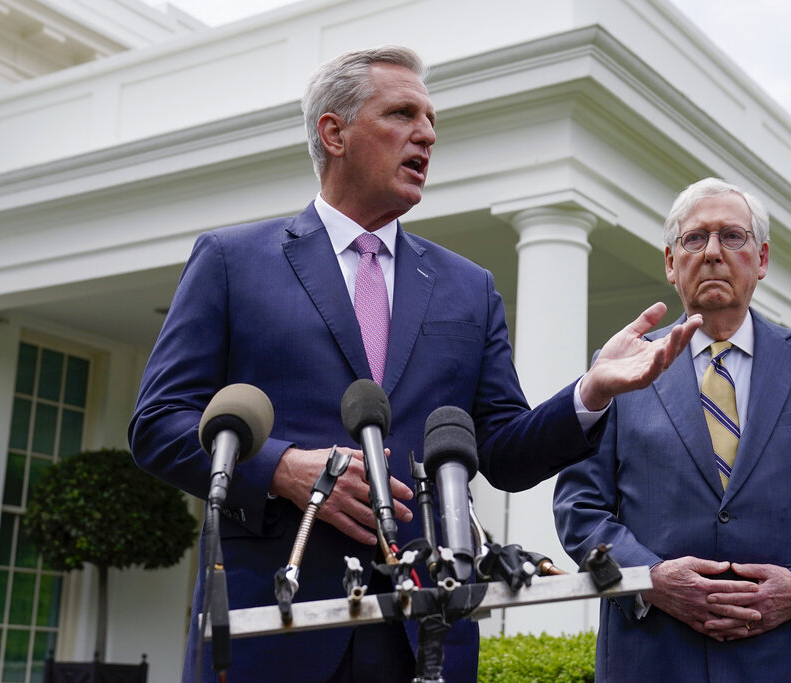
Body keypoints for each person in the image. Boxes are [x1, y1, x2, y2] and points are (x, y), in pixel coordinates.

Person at [128, 45, 700, 683]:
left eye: (431, 120)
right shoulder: (233, 262)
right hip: (274, 628)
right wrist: (283, 467)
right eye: (402, 114)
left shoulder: (468, 287)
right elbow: (158, 422)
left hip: (426, 630)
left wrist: (589, 393)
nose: (426, 133)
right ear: (334, 132)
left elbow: (503, 452)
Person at [553, 177, 791, 682]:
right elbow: (579, 508)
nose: (712, 252)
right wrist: (649, 579)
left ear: (761, 259)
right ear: (671, 263)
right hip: (651, 657)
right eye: (695, 239)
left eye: (732, 237)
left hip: (783, 658)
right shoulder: (622, 365)